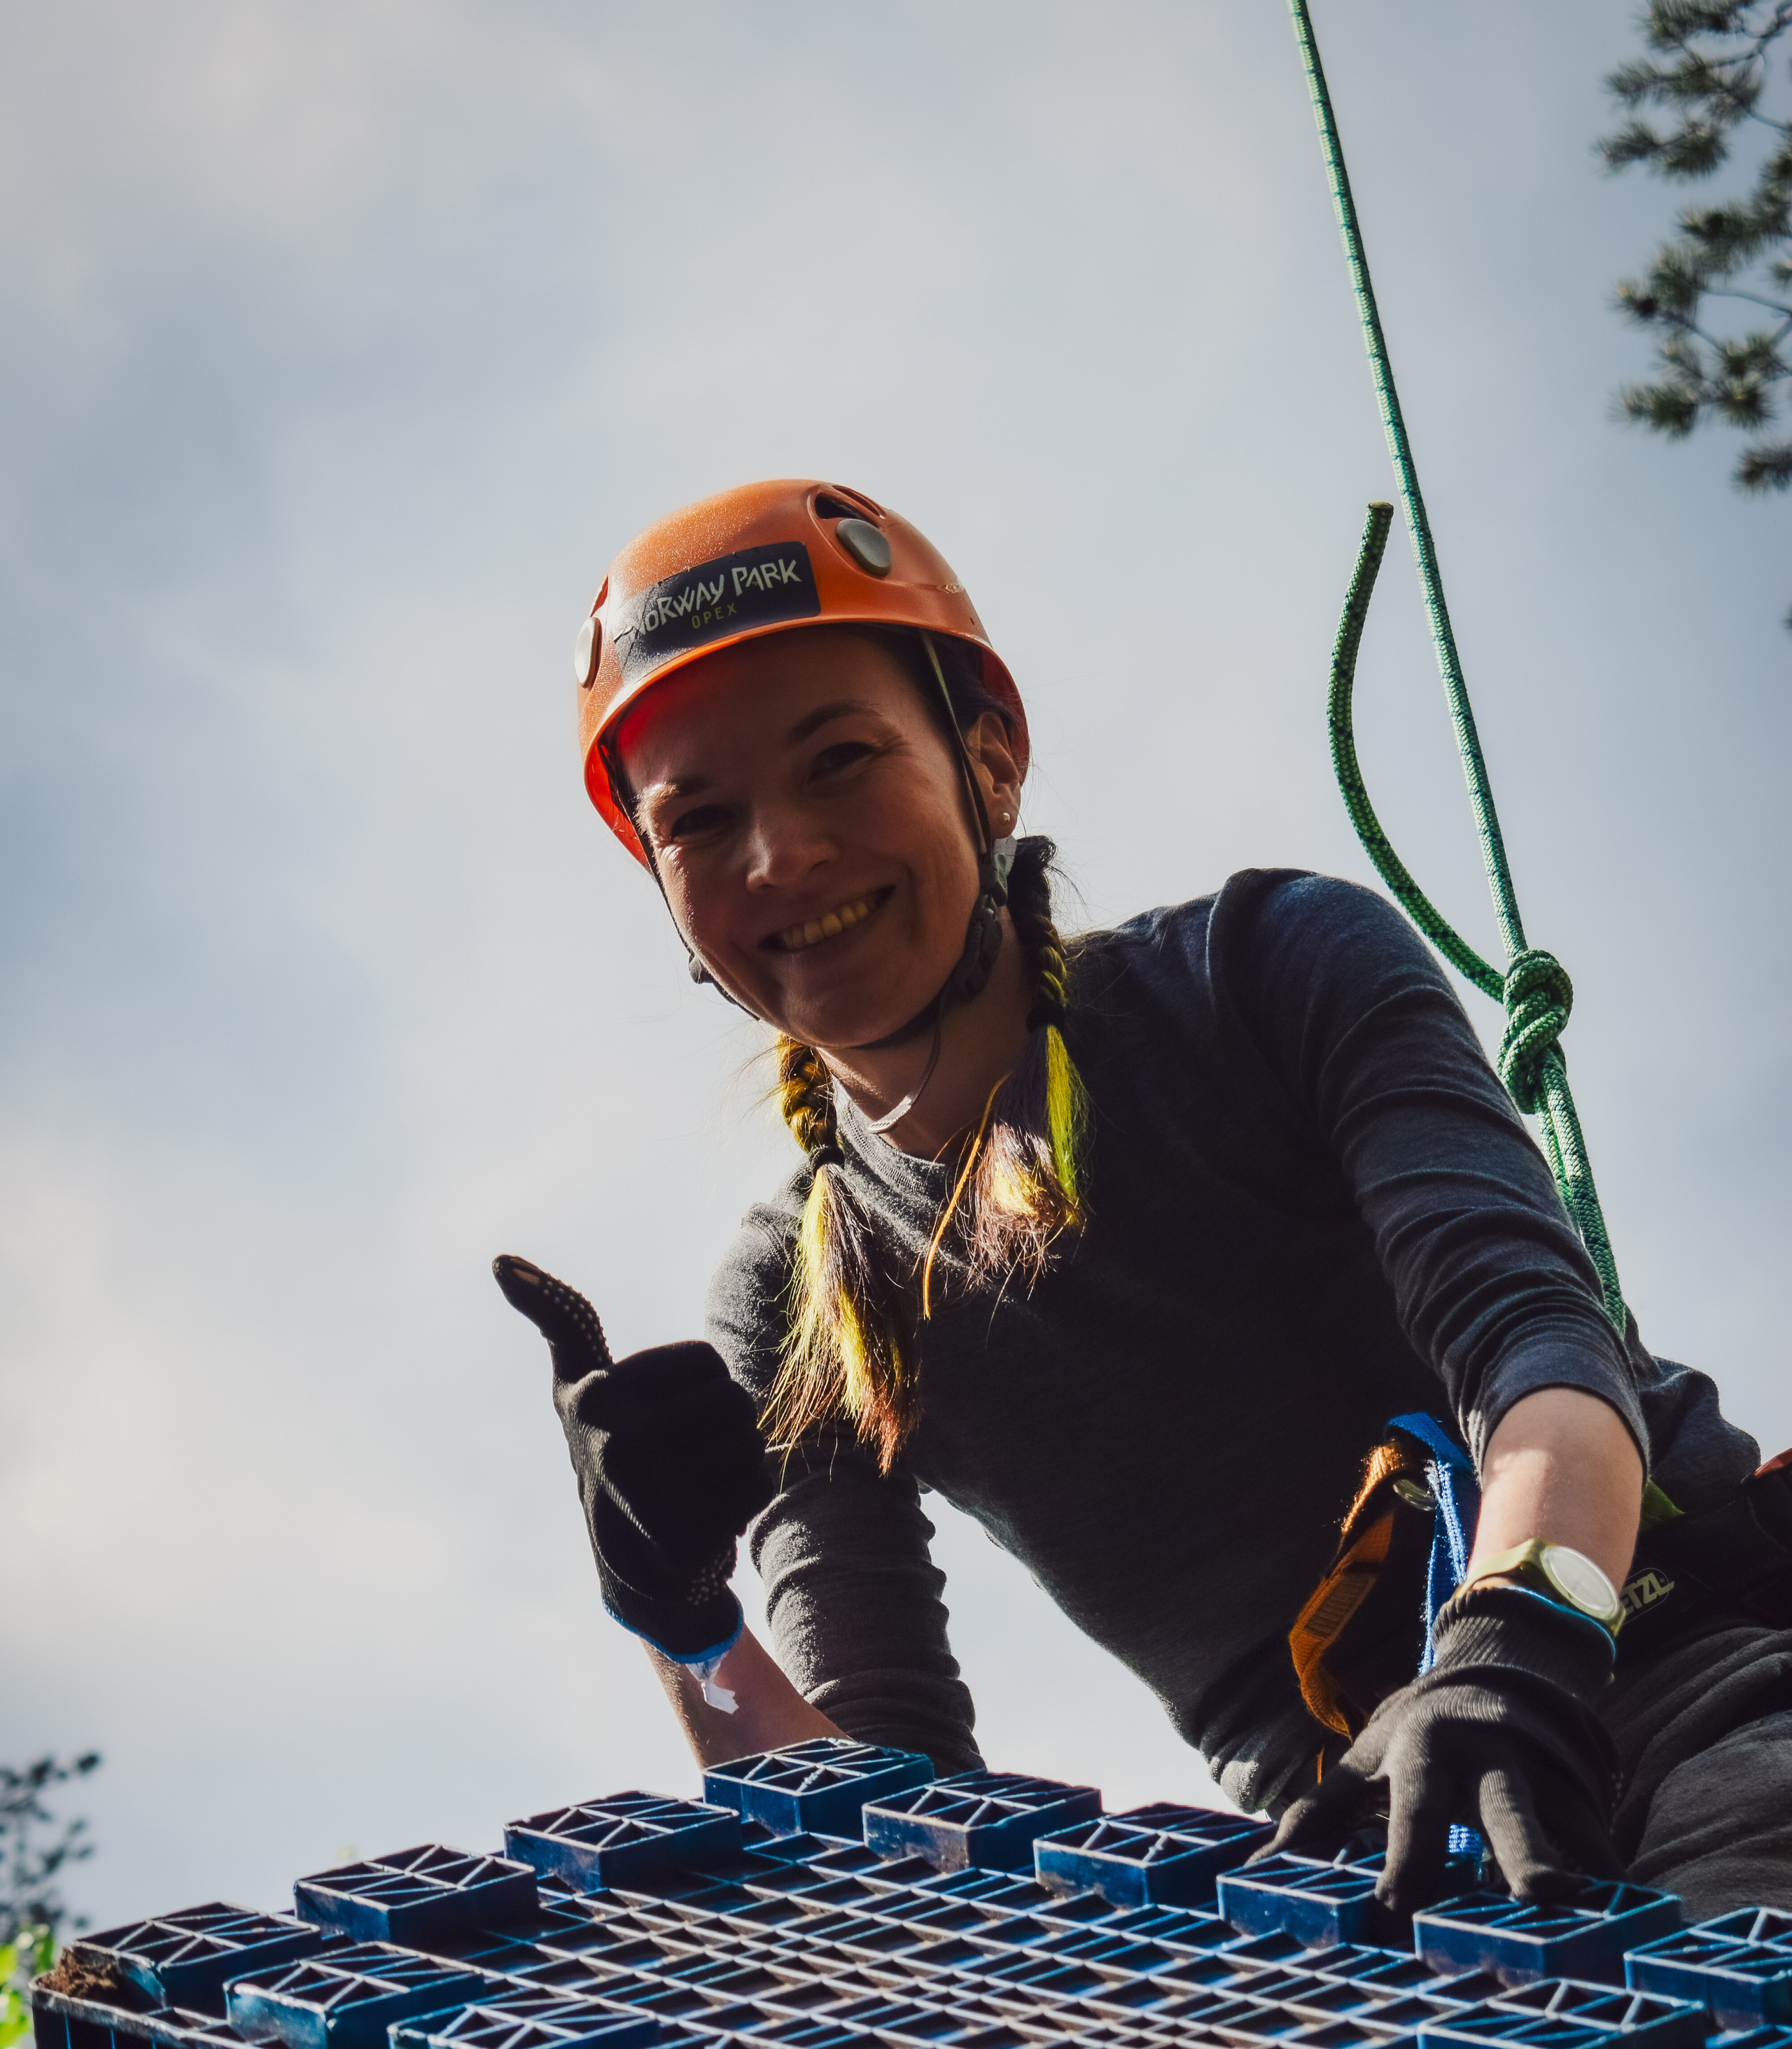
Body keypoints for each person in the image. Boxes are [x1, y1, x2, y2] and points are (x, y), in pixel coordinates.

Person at [498, 477, 1792, 1920]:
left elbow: (1531, 1345)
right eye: (702, 819)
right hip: (1361, 1871)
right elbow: (882, 1827)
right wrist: (682, 1624)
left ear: (987, 765)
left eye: (840, 761)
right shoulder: (800, 1294)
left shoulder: (1258, 974)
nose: (780, 855)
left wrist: (1516, 1635)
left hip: (1686, 1677)